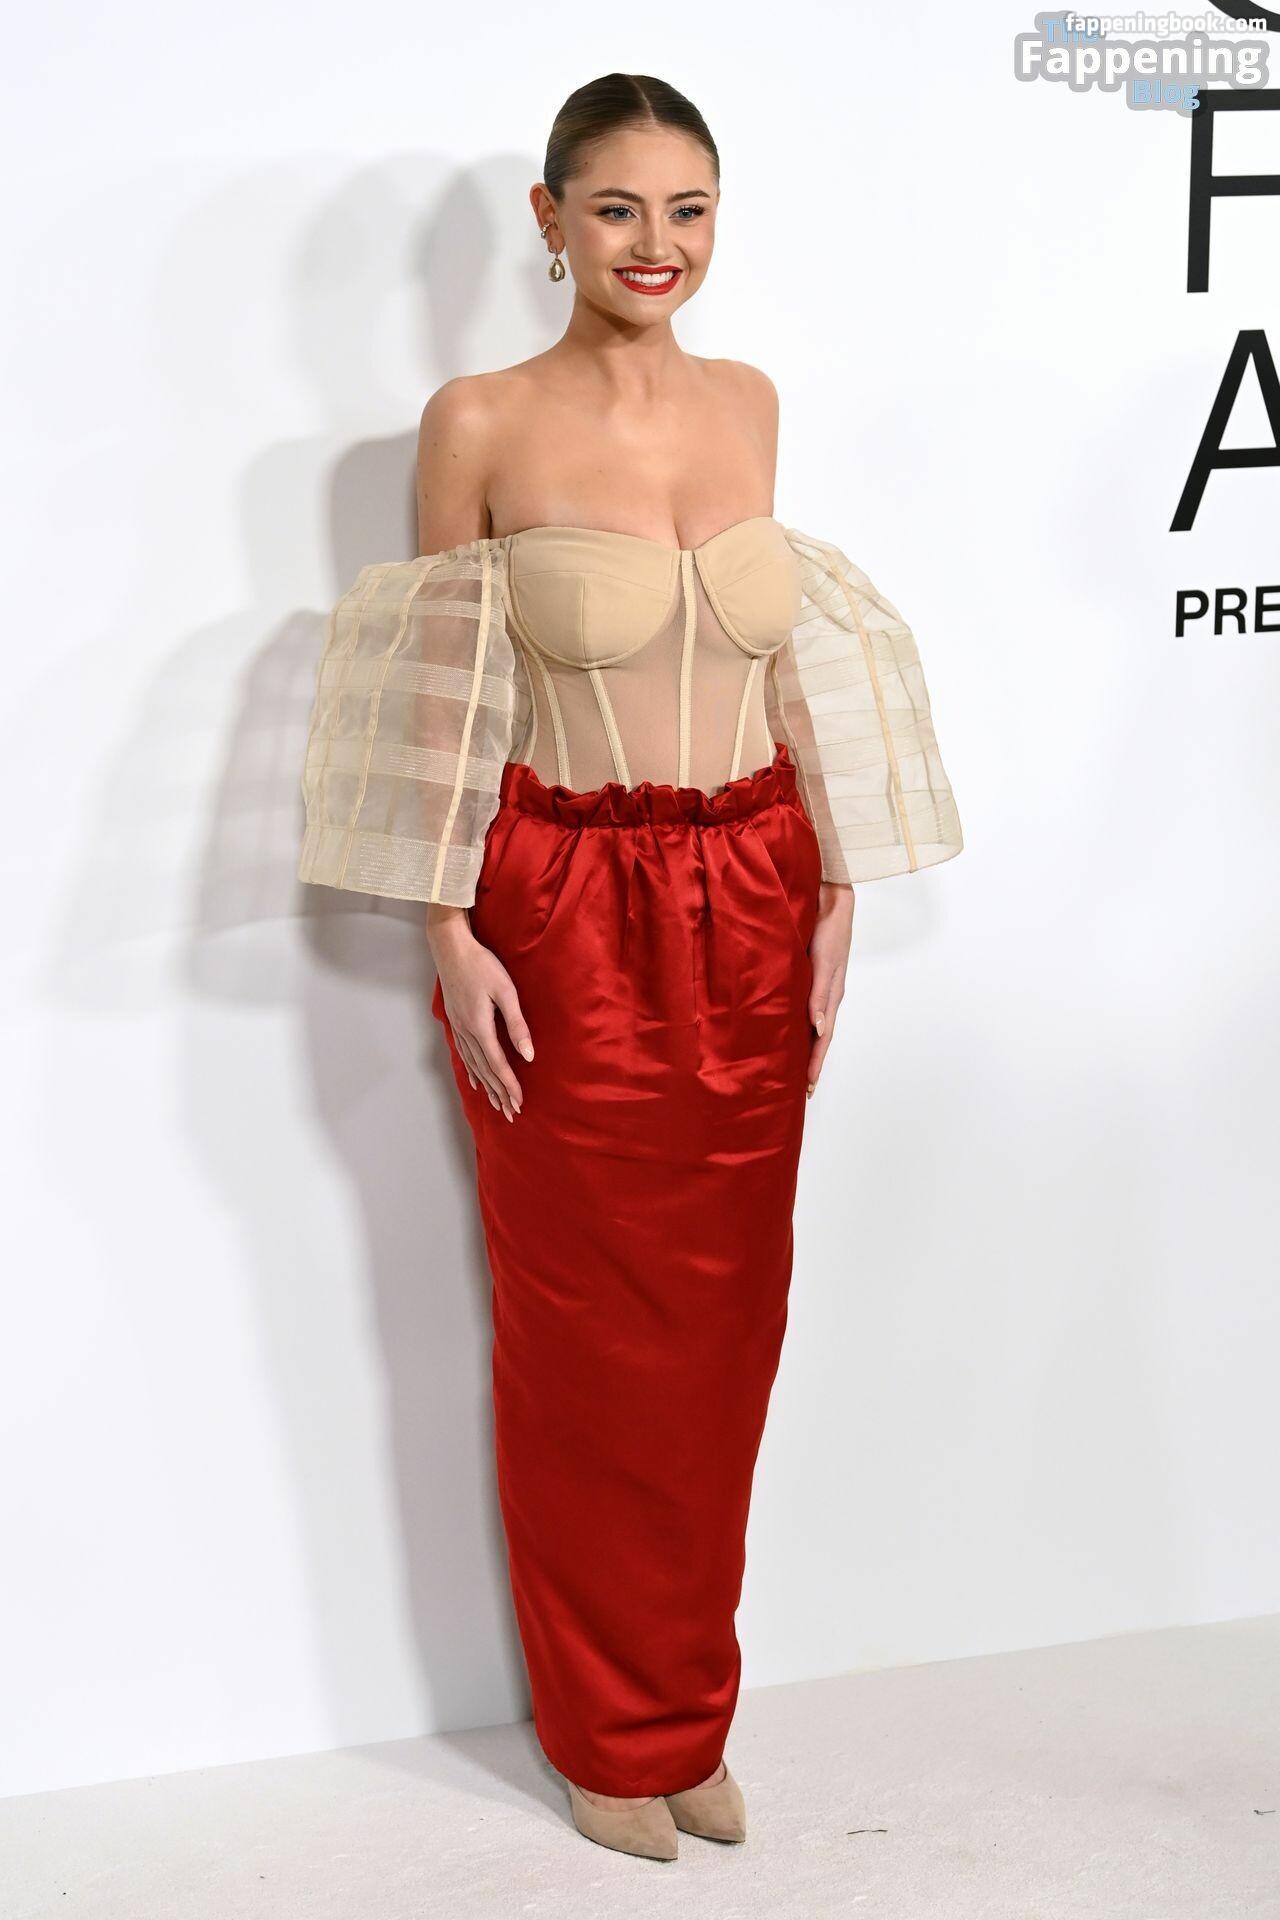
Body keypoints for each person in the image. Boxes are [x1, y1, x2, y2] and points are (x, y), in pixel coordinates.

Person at [297, 72, 963, 1863]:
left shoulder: (750, 405)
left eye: (686, 209)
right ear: (550, 221)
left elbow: (782, 663)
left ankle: (688, 1715)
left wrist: (836, 889)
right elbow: (438, 696)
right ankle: (607, 1737)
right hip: (563, 909)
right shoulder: (480, 420)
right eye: (616, 209)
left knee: (729, 1329)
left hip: (755, 884)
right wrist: (448, 930)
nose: (654, 245)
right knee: (590, 1334)